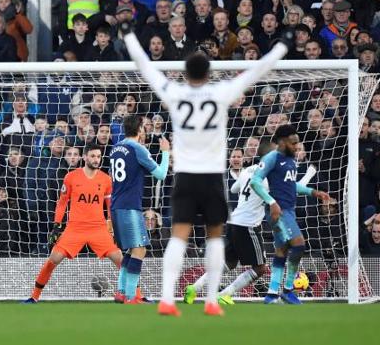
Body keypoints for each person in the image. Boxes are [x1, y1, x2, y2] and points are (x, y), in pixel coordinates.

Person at [122, 21, 293, 316]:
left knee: (178, 236)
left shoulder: (174, 93)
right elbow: (259, 69)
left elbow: (144, 65)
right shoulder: (221, 92)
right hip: (213, 177)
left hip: (185, 176)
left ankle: (166, 298)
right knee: (214, 236)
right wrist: (284, 43)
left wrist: (127, 33)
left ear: (186, 73)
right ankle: (211, 300)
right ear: (209, 73)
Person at [184, 142, 318, 304]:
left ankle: (194, 288)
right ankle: (225, 294)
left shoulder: (247, 171)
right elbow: (295, 188)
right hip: (248, 226)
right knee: (260, 268)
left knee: (229, 262)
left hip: (234, 223)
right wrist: (310, 173)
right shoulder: (270, 176)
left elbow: (234, 189)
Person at [23, 144, 122, 303]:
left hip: (98, 228)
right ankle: (34, 296)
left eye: (98, 156)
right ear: (84, 157)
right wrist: (57, 226)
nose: (96, 159)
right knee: (53, 260)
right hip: (74, 228)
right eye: (93, 156)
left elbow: (109, 207)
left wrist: (113, 229)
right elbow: (62, 203)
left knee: (120, 259)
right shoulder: (71, 177)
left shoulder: (106, 179)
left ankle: (135, 295)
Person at [251, 125, 329, 304]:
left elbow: (290, 184)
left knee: (282, 251)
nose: (296, 147)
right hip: (278, 212)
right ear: (282, 142)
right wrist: (272, 203)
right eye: (293, 143)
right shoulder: (271, 158)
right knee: (299, 245)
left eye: (297, 143)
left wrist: (312, 192)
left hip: (289, 211)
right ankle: (287, 289)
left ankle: (271, 294)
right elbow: (255, 182)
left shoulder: (291, 160)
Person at [110, 115, 170, 304]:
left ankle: (121, 292)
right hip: (129, 207)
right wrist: (166, 152)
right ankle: (131, 296)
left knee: (130, 250)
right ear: (140, 130)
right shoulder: (138, 148)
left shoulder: (115, 149)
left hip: (116, 205)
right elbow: (160, 174)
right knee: (140, 249)